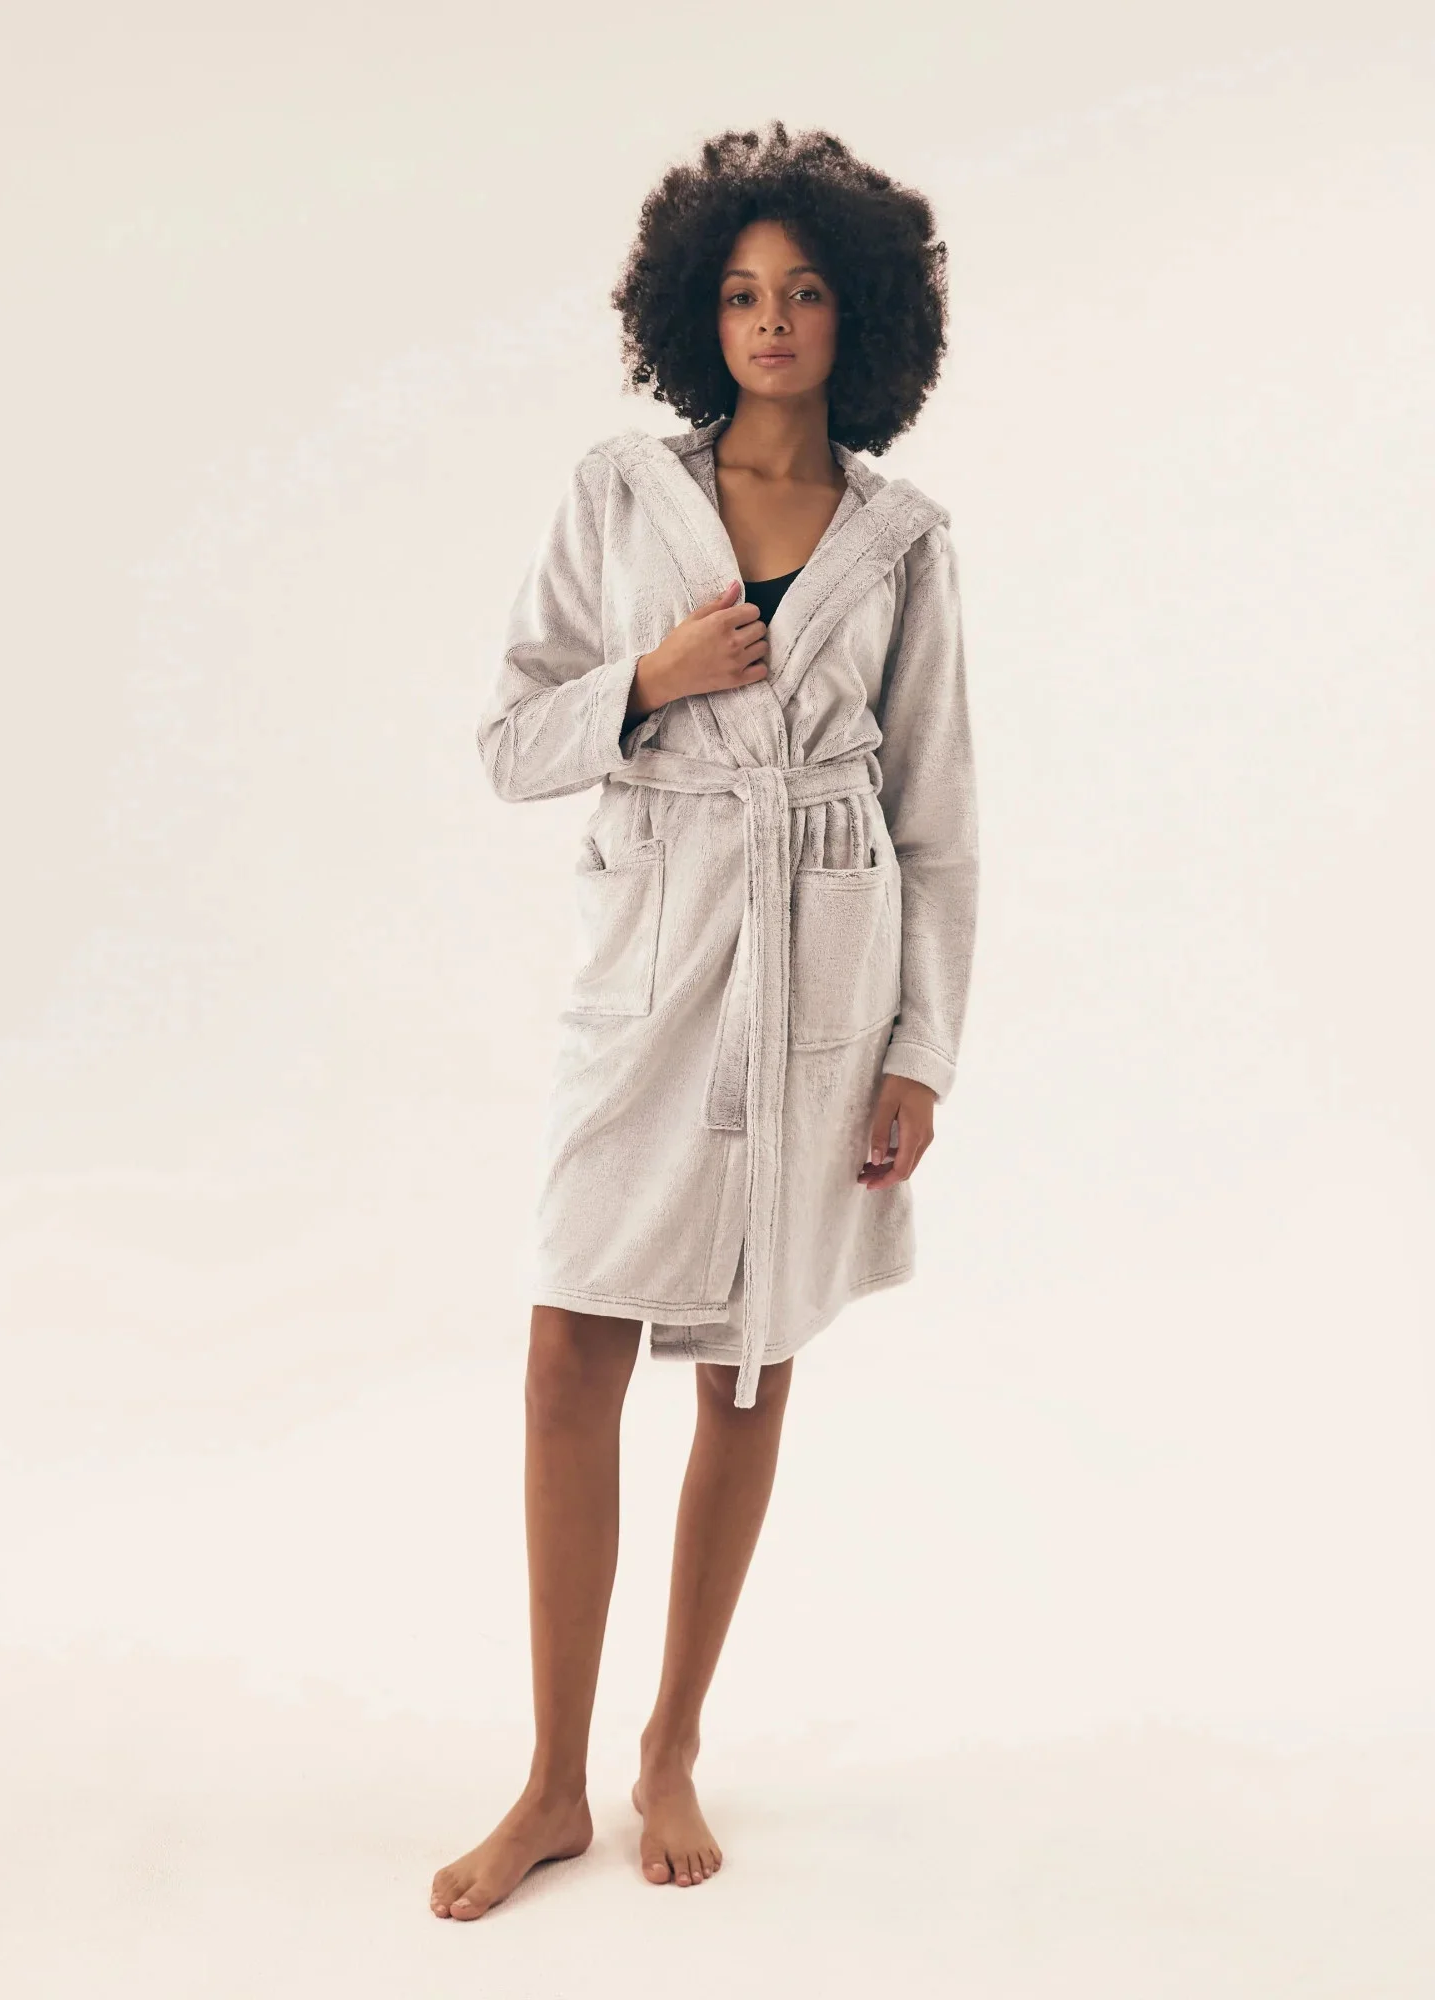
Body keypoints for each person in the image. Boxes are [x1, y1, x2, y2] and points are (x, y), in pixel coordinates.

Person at [431, 121, 979, 1921]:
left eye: (806, 292)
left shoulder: (903, 541)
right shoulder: (620, 495)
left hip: (824, 965)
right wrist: (651, 678)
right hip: (651, 963)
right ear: (697, 315)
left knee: (751, 1360)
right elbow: (510, 743)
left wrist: (917, 1051)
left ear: (860, 315)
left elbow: (938, 819)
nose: (773, 320)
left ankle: (669, 1745)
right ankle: (549, 1781)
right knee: (566, 1348)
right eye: (743, 294)